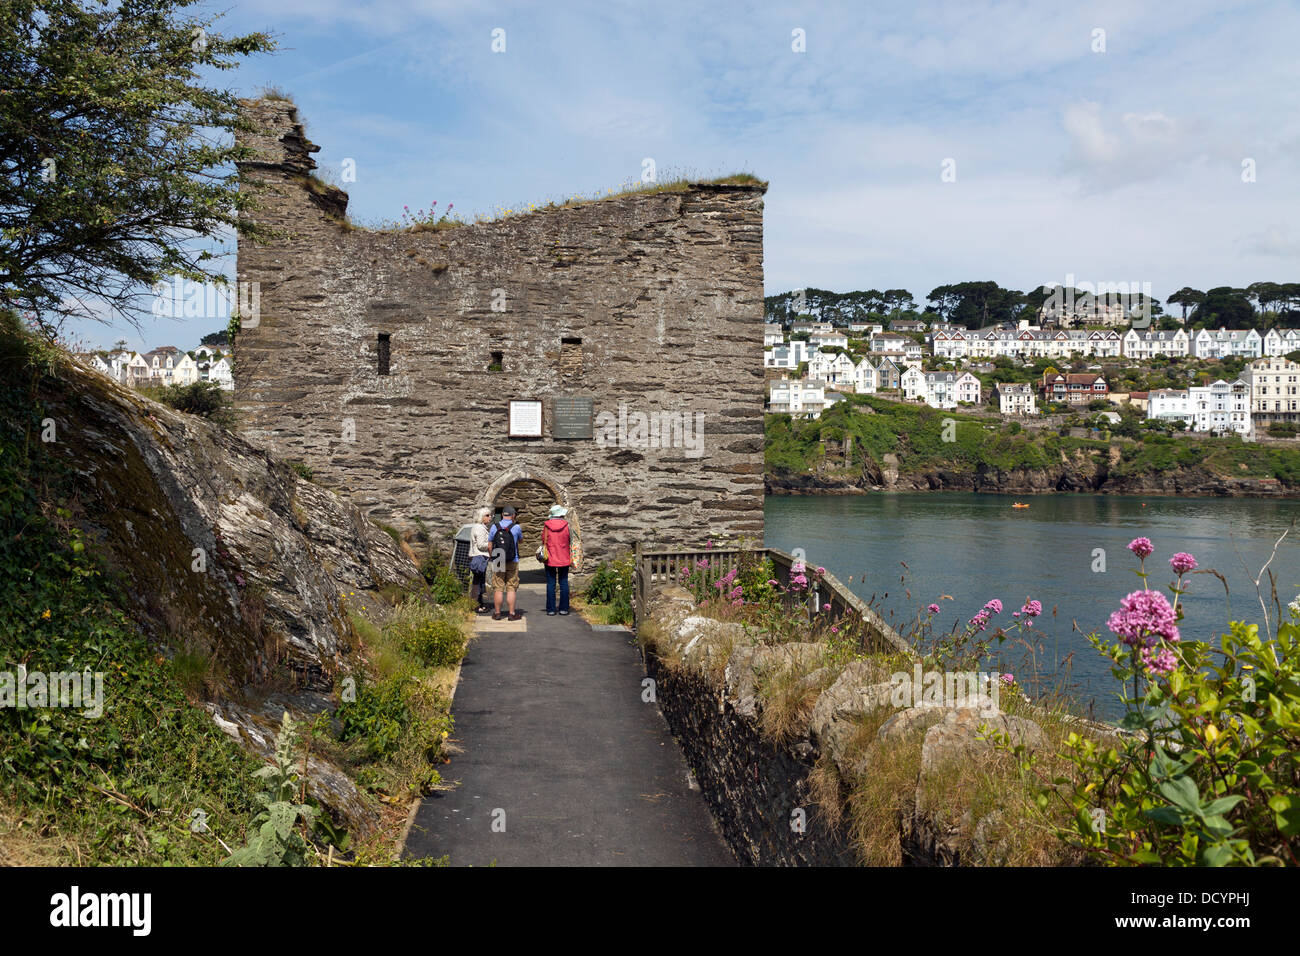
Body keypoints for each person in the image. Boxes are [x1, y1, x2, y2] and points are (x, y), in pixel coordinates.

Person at [488, 506, 523, 621]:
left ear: (502, 514)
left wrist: (492, 557)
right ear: (513, 515)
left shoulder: (494, 527)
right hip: (512, 559)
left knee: (498, 587)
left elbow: (490, 545)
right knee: (511, 587)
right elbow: (520, 540)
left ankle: (497, 613)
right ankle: (511, 614)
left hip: (498, 558)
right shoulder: (516, 527)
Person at [541, 504, 572, 616]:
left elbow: (543, 540)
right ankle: (563, 608)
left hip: (550, 558)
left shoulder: (546, 526)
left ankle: (551, 609)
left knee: (551, 584)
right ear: (561, 514)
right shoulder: (567, 526)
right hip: (564, 557)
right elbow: (571, 539)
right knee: (563, 583)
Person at [467, 507, 493, 613]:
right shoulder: (480, 528)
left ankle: (480, 604)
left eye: (490, 515)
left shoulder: (480, 527)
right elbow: (481, 545)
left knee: (479, 581)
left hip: (479, 556)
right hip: (479, 556)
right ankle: (476, 605)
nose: (490, 517)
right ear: (481, 517)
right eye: (487, 515)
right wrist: (491, 544)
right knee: (477, 581)